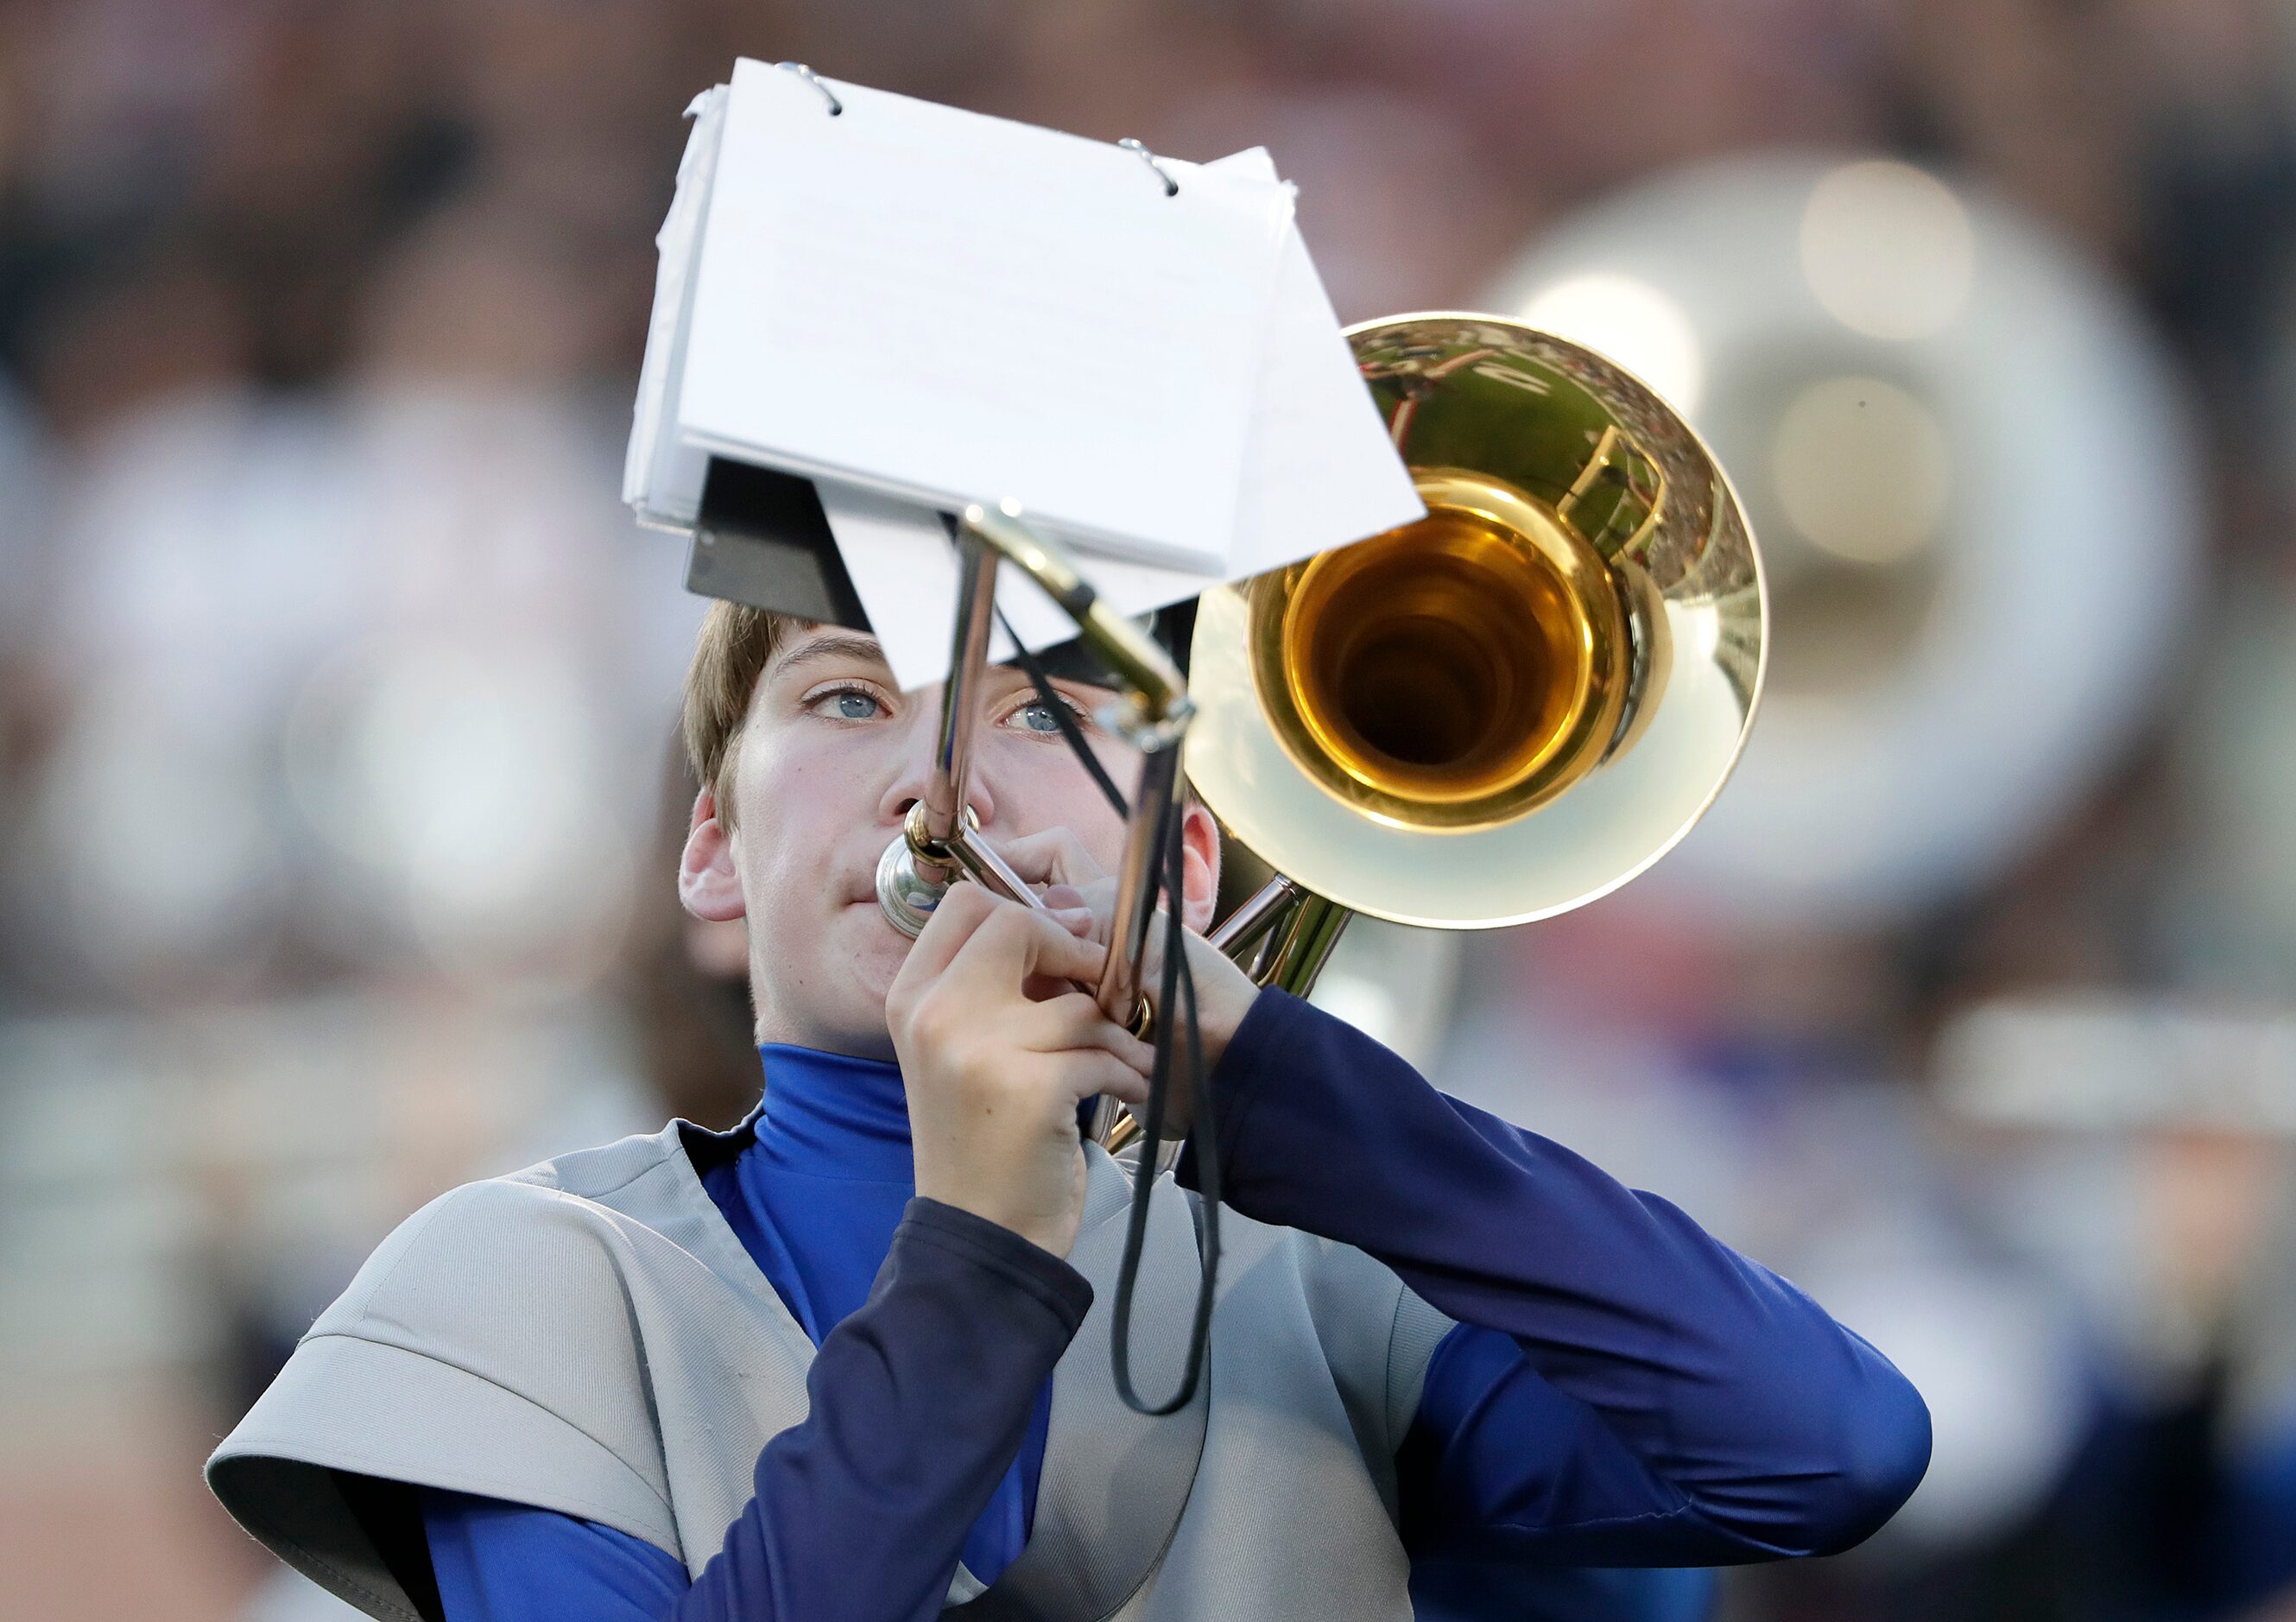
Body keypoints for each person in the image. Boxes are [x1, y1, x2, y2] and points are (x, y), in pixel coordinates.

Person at [207, 603, 1933, 1621]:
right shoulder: (525, 1282)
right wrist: (975, 1241)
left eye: (1041, 709)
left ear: (1176, 857)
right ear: (713, 848)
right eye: (839, 697)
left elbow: (1825, 1446)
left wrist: (1274, 1086)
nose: (940, 774)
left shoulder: (1315, 1288)